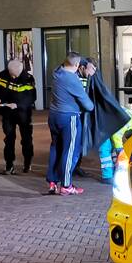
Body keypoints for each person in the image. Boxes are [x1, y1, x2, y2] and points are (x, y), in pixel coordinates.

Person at [47, 51, 94, 195]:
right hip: (69, 118)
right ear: (77, 65)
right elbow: (88, 106)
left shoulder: (57, 72)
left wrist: (84, 63)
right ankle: (66, 185)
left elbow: (72, 60)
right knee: (70, 151)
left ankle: (52, 181)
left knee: (56, 148)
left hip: (53, 116)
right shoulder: (72, 80)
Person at [0, 59, 37, 174]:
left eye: (15, 75)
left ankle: (27, 164)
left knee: (26, 140)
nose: (13, 77)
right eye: (11, 74)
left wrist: (18, 105)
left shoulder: (28, 79)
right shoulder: (2, 76)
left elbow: (31, 98)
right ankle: (9, 165)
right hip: (7, 113)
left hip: (23, 113)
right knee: (9, 139)